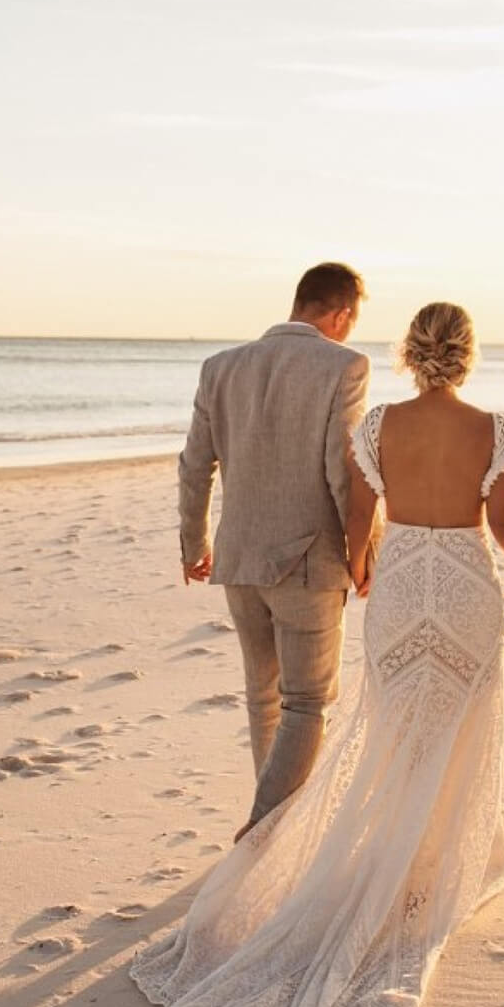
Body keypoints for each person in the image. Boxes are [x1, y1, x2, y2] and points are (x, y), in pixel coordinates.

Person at [98, 302, 504, 1007]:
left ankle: (399, 851)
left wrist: (362, 570)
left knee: (392, 726)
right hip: (462, 584)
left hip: (397, 589)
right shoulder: (493, 429)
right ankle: (427, 867)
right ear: (465, 356)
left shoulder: (380, 425)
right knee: (459, 724)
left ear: (409, 353)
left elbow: (361, 521)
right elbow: (503, 528)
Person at [176, 262, 371, 839]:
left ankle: (277, 823)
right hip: (309, 562)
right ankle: (264, 831)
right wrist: (363, 554)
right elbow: (344, 472)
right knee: (307, 702)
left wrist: (195, 543)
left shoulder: (220, 367)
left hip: (237, 557)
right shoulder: (344, 366)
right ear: (341, 315)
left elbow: (194, 466)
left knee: (263, 698)